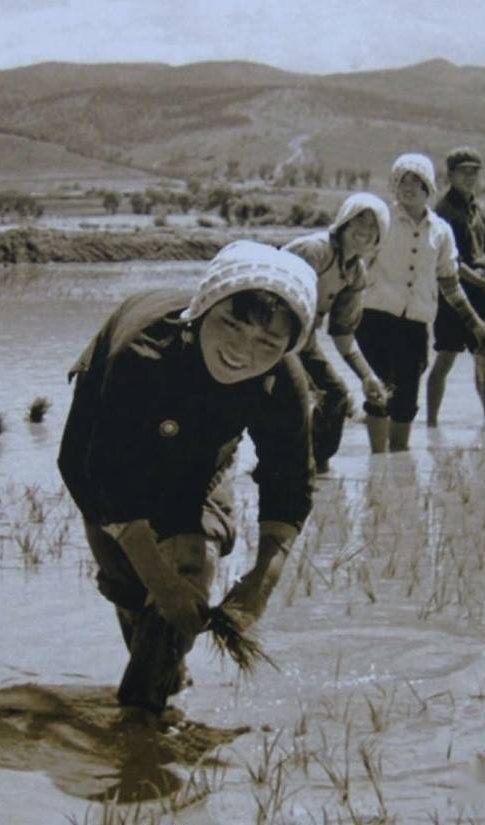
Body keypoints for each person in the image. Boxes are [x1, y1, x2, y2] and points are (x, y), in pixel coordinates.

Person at [57, 240, 317, 726]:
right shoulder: (142, 354)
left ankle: (139, 722)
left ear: (286, 349)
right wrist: (159, 584)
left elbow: (290, 486)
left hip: (203, 452)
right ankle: (160, 680)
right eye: (232, 325)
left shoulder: (281, 382)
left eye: (267, 343)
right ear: (202, 310)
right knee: (132, 586)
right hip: (105, 448)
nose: (242, 351)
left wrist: (261, 582)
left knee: (190, 566)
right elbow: (99, 471)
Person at [355, 153, 485, 453]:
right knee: (380, 389)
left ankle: (398, 457)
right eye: (402, 181)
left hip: (415, 324)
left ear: (428, 186)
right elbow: (358, 267)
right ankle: (378, 462)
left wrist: (475, 323)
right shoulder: (381, 221)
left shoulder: (441, 231)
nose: (408, 187)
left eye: (416, 181)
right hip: (374, 319)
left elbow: (449, 282)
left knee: (406, 398)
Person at [282, 193, 392, 473]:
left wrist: (367, 376)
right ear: (344, 222)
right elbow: (276, 298)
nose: (365, 230)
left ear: (379, 238)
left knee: (336, 396)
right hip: (272, 334)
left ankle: (314, 468)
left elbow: (342, 332)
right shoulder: (315, 251)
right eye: (360, 220)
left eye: (374, 226)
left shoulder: (356, 273)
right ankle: (281, 465)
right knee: (287, 399)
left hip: (304, 339)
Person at [427, 147, 485, 426]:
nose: (470, 176)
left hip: (483, 294)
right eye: (463, 171)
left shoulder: (482, 210)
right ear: (450, 175)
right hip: (453, 293)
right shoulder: (442, 212)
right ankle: (431, 425)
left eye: (474, 171)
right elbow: (450, 261)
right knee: (445, 359)